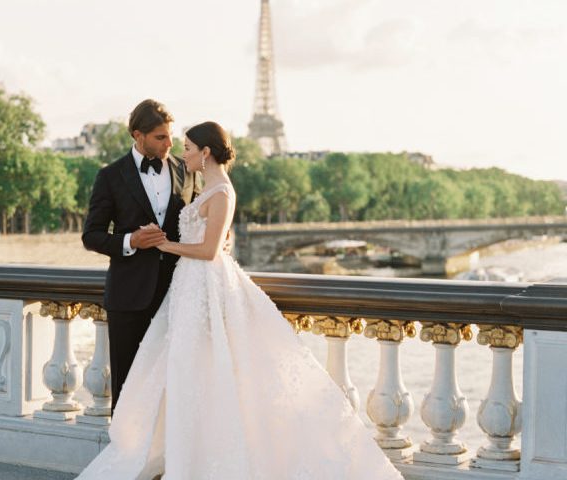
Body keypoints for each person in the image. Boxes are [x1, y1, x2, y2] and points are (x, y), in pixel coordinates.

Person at [77, 121, 403, 480]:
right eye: (168, 140)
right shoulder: (190, 182)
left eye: (185, 146)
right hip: (177, 290)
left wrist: (169, 244)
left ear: (205, 152)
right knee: (182, 376)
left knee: (205, 375)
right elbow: (104, 233)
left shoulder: (210, 186)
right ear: (138, 135)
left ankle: (197, 462)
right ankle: (177, 456)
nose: (177, 150)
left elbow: (209, 246)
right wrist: (146, 241)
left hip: (200, 287)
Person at [82, 99, 201, 412]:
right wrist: (130, 240)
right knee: (127, 387)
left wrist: (221, 235)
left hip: (178, 295)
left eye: (170, 136)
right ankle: (124, 456)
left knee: (175, 386)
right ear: (138, 135)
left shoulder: (186, 170)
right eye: (161, 137)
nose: (170, 143)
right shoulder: (109, 176)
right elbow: (91, 235)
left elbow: (202, 216)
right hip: (128, 297)